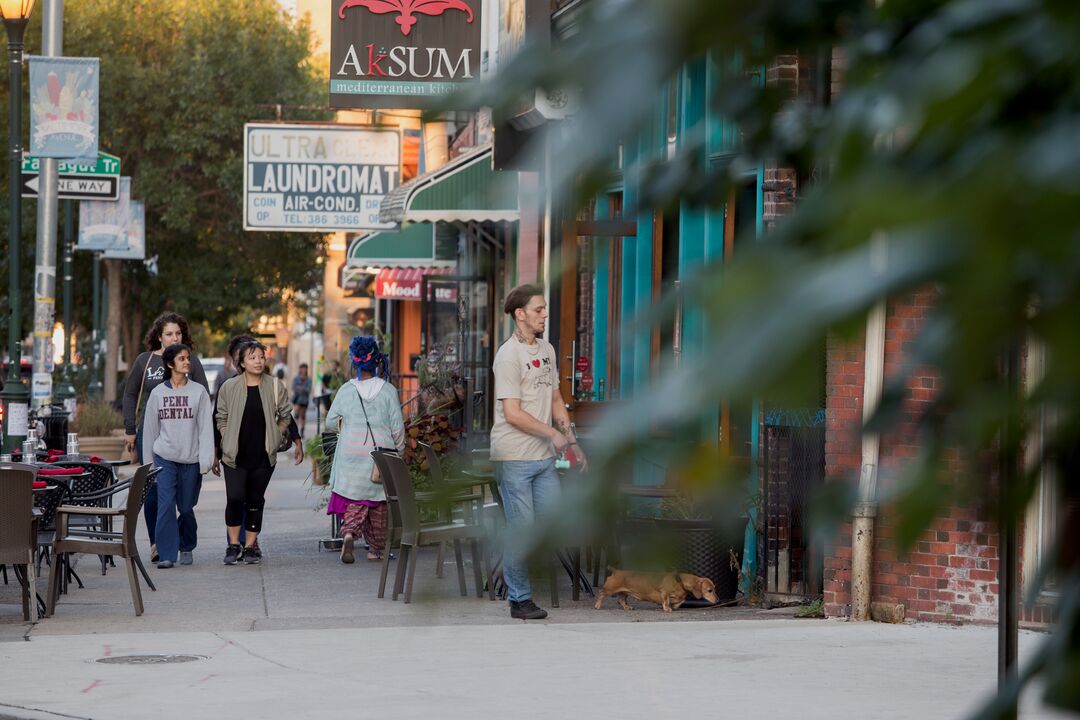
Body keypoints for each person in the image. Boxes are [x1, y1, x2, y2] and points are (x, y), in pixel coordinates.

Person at [489, 285, 587, 620]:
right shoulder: (507, 357)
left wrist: (570, 440)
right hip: (514, 457)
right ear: (520, 314)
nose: (545, 315)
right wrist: (551, 434)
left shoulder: (546, 350)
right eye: (539, 310)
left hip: (544, 459)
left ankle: (509, 566)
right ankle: (519, 599)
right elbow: (512, 413)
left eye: (545, 309)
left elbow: (556, 399)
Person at [123, 311, 209, 563]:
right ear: (159, 337)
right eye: (169, 333)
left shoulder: (190, 362)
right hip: (152, 434)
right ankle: (157, 543)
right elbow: (129, 395)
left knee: (184, 500)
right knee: (154, 493)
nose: (174, 337)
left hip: (186, 438)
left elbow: (204, 399)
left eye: (178, 333)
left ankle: (181, 542)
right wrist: (130, 429)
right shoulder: (145, 361)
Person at [213, 340, 299, 565]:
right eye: (252, 357)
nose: (258, 361)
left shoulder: (274, 385)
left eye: (261, 356)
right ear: (241, 363)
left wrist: (278, 434)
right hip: (234, 455)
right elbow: (220, 417)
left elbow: (285, 415)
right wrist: (226, 434)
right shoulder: (229, 387)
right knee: (234, 498)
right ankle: (233, 545)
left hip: (263, 456)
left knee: (254, 500)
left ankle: (250, 547)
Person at [325, 337, 405, 564]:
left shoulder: (346, 390)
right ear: (377, 360)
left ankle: (349, 534)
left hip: (351, 454)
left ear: (354, 361)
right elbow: (397, 428)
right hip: (379, 455)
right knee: (379, 503)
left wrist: (347, 425)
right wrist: (398, 452)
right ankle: (375, 550)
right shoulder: (388, 390)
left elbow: (330, 423)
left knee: (355, 500)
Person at [141, 344, 214, 569]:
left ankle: (187, 545)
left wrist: (206, 459)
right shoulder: (158, 393)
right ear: (170, 364)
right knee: (165, 505)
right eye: (182, 359)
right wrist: (148, 464)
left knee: (185, 507)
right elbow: (150, 430)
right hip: (164, 457)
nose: (187, 362)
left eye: (188, 358)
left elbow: (205, 428)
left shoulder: (199, 392)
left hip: (190, 459)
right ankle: (166, 553)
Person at [291, 364, 313, 437]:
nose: (303, 370)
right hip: (297, 399)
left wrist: (300, 388)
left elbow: (308, 389)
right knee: (296, 414)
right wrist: (302, 388)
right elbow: (294, 387)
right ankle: (295, 432)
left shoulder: (308, 379)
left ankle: (302, 431)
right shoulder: (296, 378)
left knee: (303, 416)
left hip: (304, 400)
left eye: (304, 369)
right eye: (302, 369)